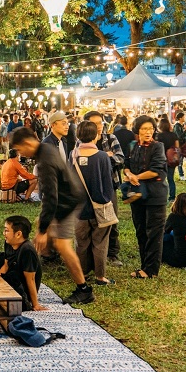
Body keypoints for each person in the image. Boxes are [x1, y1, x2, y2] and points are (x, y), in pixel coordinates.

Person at [9, 127, 93, 304]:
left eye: (19, 149)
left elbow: (51, 198)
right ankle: (26, 273)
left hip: (67, 203)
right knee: (41, 233)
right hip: (66, 199)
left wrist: (43, 230)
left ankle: (84, 289)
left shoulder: (45, 161)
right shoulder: (46, 149)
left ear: (27, 143)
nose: (20, 153)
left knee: (63, 246)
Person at [123, 115, 169, 279]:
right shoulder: (133, 145)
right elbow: (126, 165)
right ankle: (145, 266)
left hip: (155, 195)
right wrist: (129, 174)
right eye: (144, 129)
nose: (147, 132)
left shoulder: (158, 147)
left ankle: (151, 270)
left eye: (150, 128)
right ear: (137, 130)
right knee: (141, 231)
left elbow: (157, 169)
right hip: (137, 195)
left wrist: (137, 177)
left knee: (154, 233)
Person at [71, 120, 115, 286]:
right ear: (96, 135)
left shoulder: (73, 155)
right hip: (99, 207)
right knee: (100, 243)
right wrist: (105, 199)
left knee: (81, 243)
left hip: (79, 209)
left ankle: (82, 274)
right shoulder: (102, 157)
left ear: (78, 136)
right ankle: (100, 276)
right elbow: (107, 184)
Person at [0, 215, 47, 312]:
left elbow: (31, 279)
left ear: (18, 234)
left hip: (20, 286)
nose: (4, 233)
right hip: (11, 275)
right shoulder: (9, 243)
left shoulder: (27, 250)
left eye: (7, 231)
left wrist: (35, 304)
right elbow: (6, 265)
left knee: (3, 304)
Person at [82, 110, 126, 267]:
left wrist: (103, 158)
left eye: (100, 123)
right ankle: (91, 255)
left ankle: (112, 253)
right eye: (95, 124)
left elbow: (120, 158)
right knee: (88, 221)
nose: (99, 127)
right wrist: (104, 156)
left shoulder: (110, 138)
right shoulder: (81, 141)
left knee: (110, 219)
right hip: (88, 188)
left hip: (109, 185)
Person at [156, 118, 179, 202]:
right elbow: (177, 147)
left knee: (161, 179)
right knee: (170, 178)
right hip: (171, 159)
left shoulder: (159, 136)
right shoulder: (173, 135)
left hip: (161, 159)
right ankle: (172, 197)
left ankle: (161, 196)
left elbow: (157, 148)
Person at [173, 112, 186, 182]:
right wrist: (185, 130)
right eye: (184, 117)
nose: (185, 118)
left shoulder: (183, 125)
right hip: (180, 146)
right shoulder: (177, 126)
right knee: (180, 161)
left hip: (185, 146)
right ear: (180, 118)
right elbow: (179, 137)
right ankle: (181, 175)